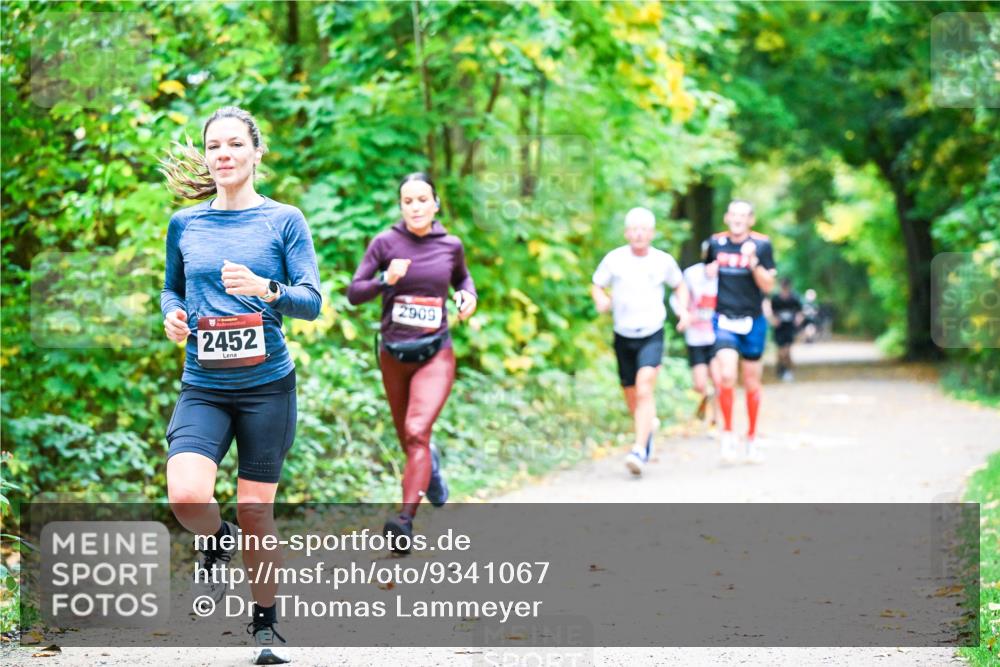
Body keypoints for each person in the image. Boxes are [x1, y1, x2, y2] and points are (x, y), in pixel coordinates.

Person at [160, 106, 322, 665]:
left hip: (267, 387)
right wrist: (173, 316)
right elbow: (171, 291)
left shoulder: (284, 220)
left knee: (258, 510)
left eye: (234, 144)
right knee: (185, 495)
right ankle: (217, 537)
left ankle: (265, 627)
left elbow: (312, 302)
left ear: (256, 152)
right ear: (207, 157)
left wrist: (266, 287)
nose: (223, 154)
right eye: (214, 146)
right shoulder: (186, 224)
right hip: (203, 384)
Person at [347, 172, 476, 553]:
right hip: (393, 353)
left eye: (423, 200)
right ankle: (430, 471)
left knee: (417, 430)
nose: (415, 207)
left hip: (435, 352)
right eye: (408, 201)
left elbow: (464, 280)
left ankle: (404, 521)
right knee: (409, 438)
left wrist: (468, 297)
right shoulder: (385, 242)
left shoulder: (450, 245)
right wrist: (386, 279)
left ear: (435, 204)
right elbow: (355, 292)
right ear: (401, 206)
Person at [592, 207, 690, 477]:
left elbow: (679, 284)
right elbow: (597, 284)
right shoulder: (615, 260)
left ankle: (639, 448)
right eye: (633, 229)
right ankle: (647, 426)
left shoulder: (663, 261)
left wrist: (683, 310)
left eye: (643, 229)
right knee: (632, 393)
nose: (638, 234)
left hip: (651, 332)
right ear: (626, 233)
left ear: (652, 233)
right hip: (623, 333)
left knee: (645, 387)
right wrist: (600, 299)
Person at [705, 199, 776, 464]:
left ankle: (752, 437)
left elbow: (768, 285)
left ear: (751, 220)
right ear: (726, 217)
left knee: (751, 381)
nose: (737, 219)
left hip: (753, 320)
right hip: (724, 318)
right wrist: (709, 272)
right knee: (726, 376)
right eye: (733, 214)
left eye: (742, 215)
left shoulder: (762, 245)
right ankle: (727, 435)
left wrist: (753, 263)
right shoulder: (714, 244)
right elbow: (706, 273)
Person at [671, 241, 721, 426]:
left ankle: (714, 420)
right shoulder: (691, 275)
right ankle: (705, 398)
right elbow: (676, 298)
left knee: (718, 379)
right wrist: (684, 314)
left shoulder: (726, 275)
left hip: (718, 336)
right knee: (700, 384)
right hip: (696, 337)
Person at [769, 278, 804, 381]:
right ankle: (780, 369)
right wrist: (773, 320)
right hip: (779, 328)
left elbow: (800, 312)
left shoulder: (794, 298)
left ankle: (788, 370)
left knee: (787, 351)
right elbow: (770, 311)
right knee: (780, 352)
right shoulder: (775, 299)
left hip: (789, 327)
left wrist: (798, 320)